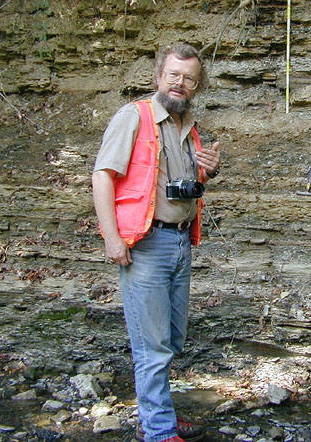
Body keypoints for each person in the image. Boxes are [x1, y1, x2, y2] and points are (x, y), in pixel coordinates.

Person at [92, 43, 220, 442]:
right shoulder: (134, 116)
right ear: (159, 76)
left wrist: (208, 173)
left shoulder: (189, 128)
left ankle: (159, 410)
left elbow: (184, 188)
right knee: (152, 344)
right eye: (174, 75)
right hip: (146, 245)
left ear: (197, 85)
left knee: (172, 337)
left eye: (189, 79)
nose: (180, 84)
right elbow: (102, 175)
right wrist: (112, 238)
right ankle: (160, 432)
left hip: (181, 243)